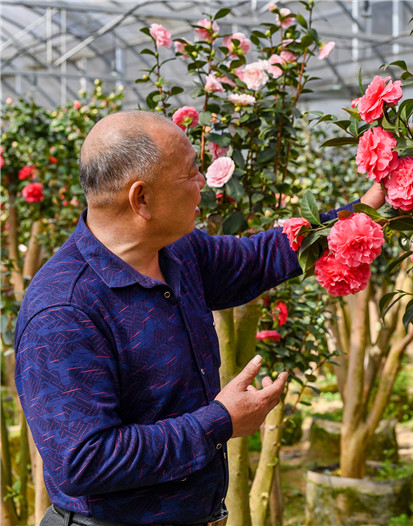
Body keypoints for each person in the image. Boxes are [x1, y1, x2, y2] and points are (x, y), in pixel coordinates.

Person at [14, 110, 385, 525]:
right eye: (190, 175)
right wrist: (219, 422)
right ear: (141, 199)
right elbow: (84, 461)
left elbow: (259, 257)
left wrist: (357, 215)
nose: (202, 187)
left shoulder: (177, 252)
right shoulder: (64, 310)